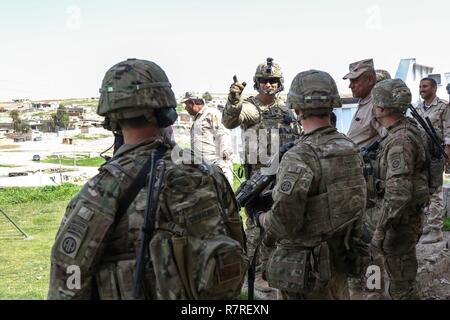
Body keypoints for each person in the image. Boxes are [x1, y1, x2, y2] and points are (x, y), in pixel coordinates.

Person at [47, 58, 247, 300]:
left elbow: (68, 283)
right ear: (167, 113)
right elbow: (238, 243)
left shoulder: (102, 190)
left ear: (111, 118)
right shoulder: (207, 173)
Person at [259, 70, 366, 299]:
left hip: (306, 273)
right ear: (333, 105)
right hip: (340, 259)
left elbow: (283, 224)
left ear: (297, 109)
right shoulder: (349, 147)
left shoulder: (300, 155)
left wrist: (260, 216)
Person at [222, 57, 300, 294]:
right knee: (256, 229)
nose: (269, 85)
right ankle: (251, 278)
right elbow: (229, 121)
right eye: (265, 81)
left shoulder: (286, 109)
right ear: (258, 83)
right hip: (259, 179)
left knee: (283, 225)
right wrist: (234, 99)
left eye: (274, 81)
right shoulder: (250, 108)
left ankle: (275, 272)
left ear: (280, 83)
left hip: (286, 176)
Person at [371, 79, 430, 299]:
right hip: (404, 220)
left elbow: (398, 194)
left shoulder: (400, 140)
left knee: (401, 286)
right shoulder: (406, 129)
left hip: (399, 224)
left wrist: (380, 230)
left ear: (382, 107)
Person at [344, 58, 387, 299]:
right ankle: (361, 290)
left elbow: (388, 140)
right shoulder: (364, 103)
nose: (350, 85)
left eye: (354, 80)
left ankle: (373, 294)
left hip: (369, 189)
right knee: (358, 242)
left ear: (369, 80)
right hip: (358, 184)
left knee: (371, 245)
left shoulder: (377, 106)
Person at [415, 77, 450, 244]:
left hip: (437, 153)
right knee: (425, 190)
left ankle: (436, 229)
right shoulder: (417, 108)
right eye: (420, 86)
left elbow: (448, 132)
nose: (422, 89)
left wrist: (447, 155)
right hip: (422, 154)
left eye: (425, 86)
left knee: (435, 190)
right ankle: (430, 224)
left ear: (434, 88)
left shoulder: (443, 107)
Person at [183, 91, 234, 186]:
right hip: (203, 165)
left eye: (186, 105)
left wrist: (223, 160)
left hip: (216, 163)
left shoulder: (211, 114)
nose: (185, 108)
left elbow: (223, 134)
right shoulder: (198, 118)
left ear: (192, 103)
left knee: (223, 194)